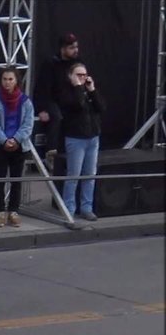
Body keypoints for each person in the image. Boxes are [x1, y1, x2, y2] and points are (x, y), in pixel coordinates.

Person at [0, 66, 35, 228]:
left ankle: (14, 211)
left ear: (16, 81)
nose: (7, 83)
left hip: (19, 146)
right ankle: (0, 211)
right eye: (4, 79)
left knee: (16, 180)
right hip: (0, 146)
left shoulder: (25, 101)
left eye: (10, 79)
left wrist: (16, 139)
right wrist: (4, 140)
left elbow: (28, 124)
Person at [58, 62, 104, 221]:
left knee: (90, 175)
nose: (82, 78)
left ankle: (87, 207)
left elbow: (101, 108)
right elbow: (77, 105)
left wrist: (92, 90)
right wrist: (77, 87)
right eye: (78, 75)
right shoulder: (66, 92)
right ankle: (69, 208)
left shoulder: (88, 91)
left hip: (92, 137)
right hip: (76, 138)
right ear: (70, 76)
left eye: (84, 75)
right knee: (74, 175)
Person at [35, 33, 82, 160]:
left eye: (76, 47)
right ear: (63, 48)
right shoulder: (51, 63)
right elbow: (41, 88)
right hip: (52, 100)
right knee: (57, 117)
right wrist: (41, 109)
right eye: (71, 48)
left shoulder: (77, 64)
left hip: (70, 99)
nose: (75, 50)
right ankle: (51, 152)